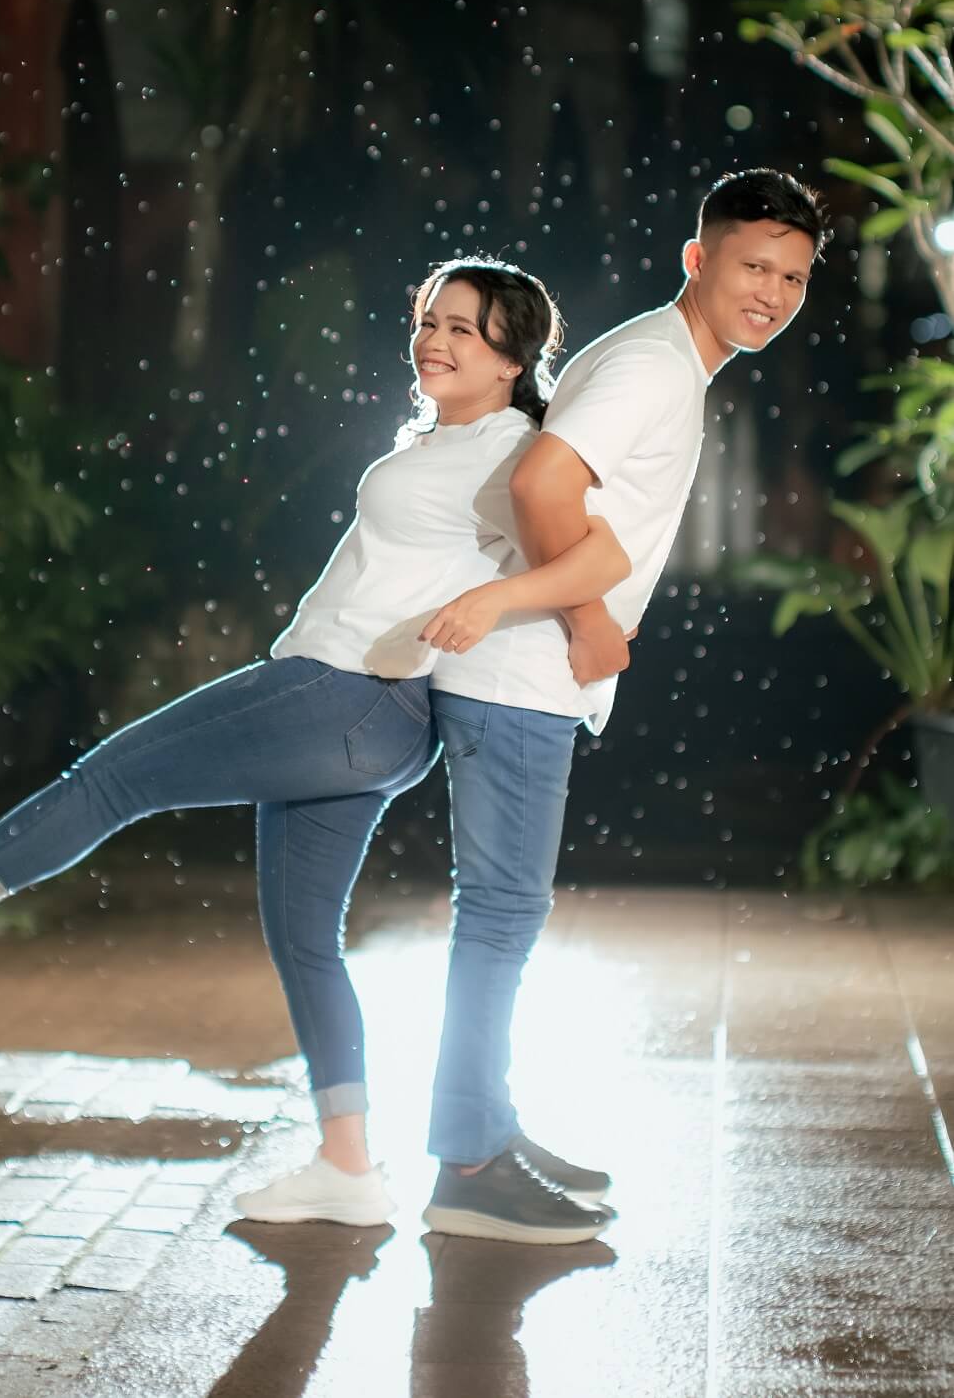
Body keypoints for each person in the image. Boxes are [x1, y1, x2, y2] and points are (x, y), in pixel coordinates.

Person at [0, 257, 628, 1247]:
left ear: (512, 358)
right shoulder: (441, 438)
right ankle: (347, 1168)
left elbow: (600, 552)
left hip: (342, 692)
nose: (433, 341)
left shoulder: (516, 452)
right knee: (302, 935)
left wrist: (501, 604)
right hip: (363, 710)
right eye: (427, 321)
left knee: (115, 776)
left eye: (462, 329)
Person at [236, 168, 830, 1246]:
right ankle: (469, 1166)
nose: (770, 293)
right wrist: (588, 622)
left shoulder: (656, 354)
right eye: (752, 266)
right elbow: (540, 483)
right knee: (502, 916)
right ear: (697, 259)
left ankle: (487, 1129)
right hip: (523, 674)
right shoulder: (652, 367)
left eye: (790, 277)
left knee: (500, 915)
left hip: (522, 669)